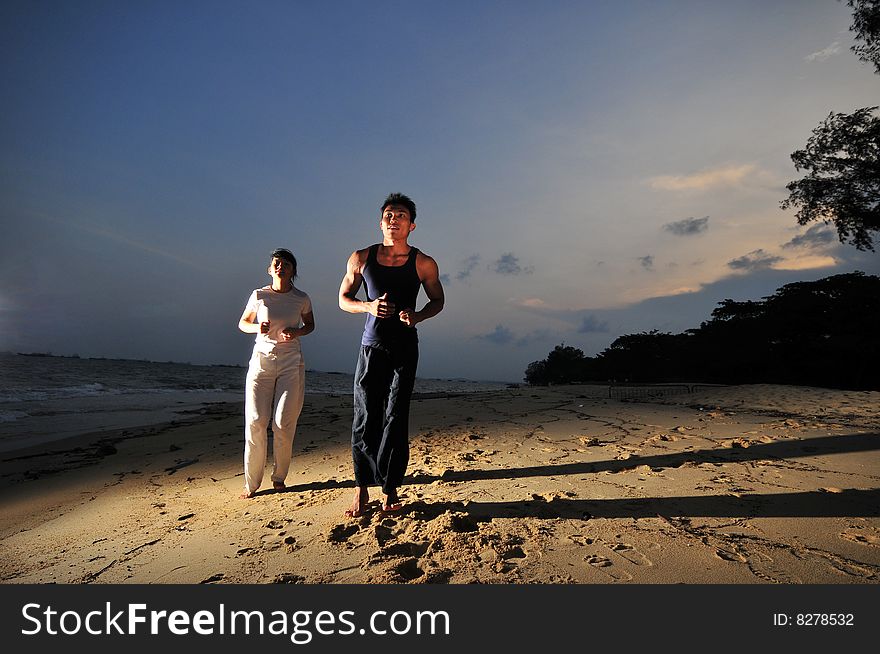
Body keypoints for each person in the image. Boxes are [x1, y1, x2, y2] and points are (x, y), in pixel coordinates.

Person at [338, 193, 445, 516]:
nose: (393, 219)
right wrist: (368, 306)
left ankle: (390, 488)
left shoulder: (423, 262)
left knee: (396, 417)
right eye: (388, 214)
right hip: (371, 345)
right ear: (380, 222)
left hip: (405, 347)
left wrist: (418, 316)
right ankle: (361, 487)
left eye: (400, 215)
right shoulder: (361, 257)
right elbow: (344, 298)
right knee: (366, 415)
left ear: (411, 225)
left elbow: (438, 301)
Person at [238, 248, 314, 499]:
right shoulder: (259, 295)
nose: (280, 266)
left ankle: (279, 477)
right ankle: (252, 483)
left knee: (282, 422)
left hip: (291, 363)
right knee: (257, 420)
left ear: (293, 271)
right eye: (276, 263)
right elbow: (243, 323)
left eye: (286, 264)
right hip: (262, 362)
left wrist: (297, 332)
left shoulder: (301, 298)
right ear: (270, 269)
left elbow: (310, 324)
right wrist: (256, 327)